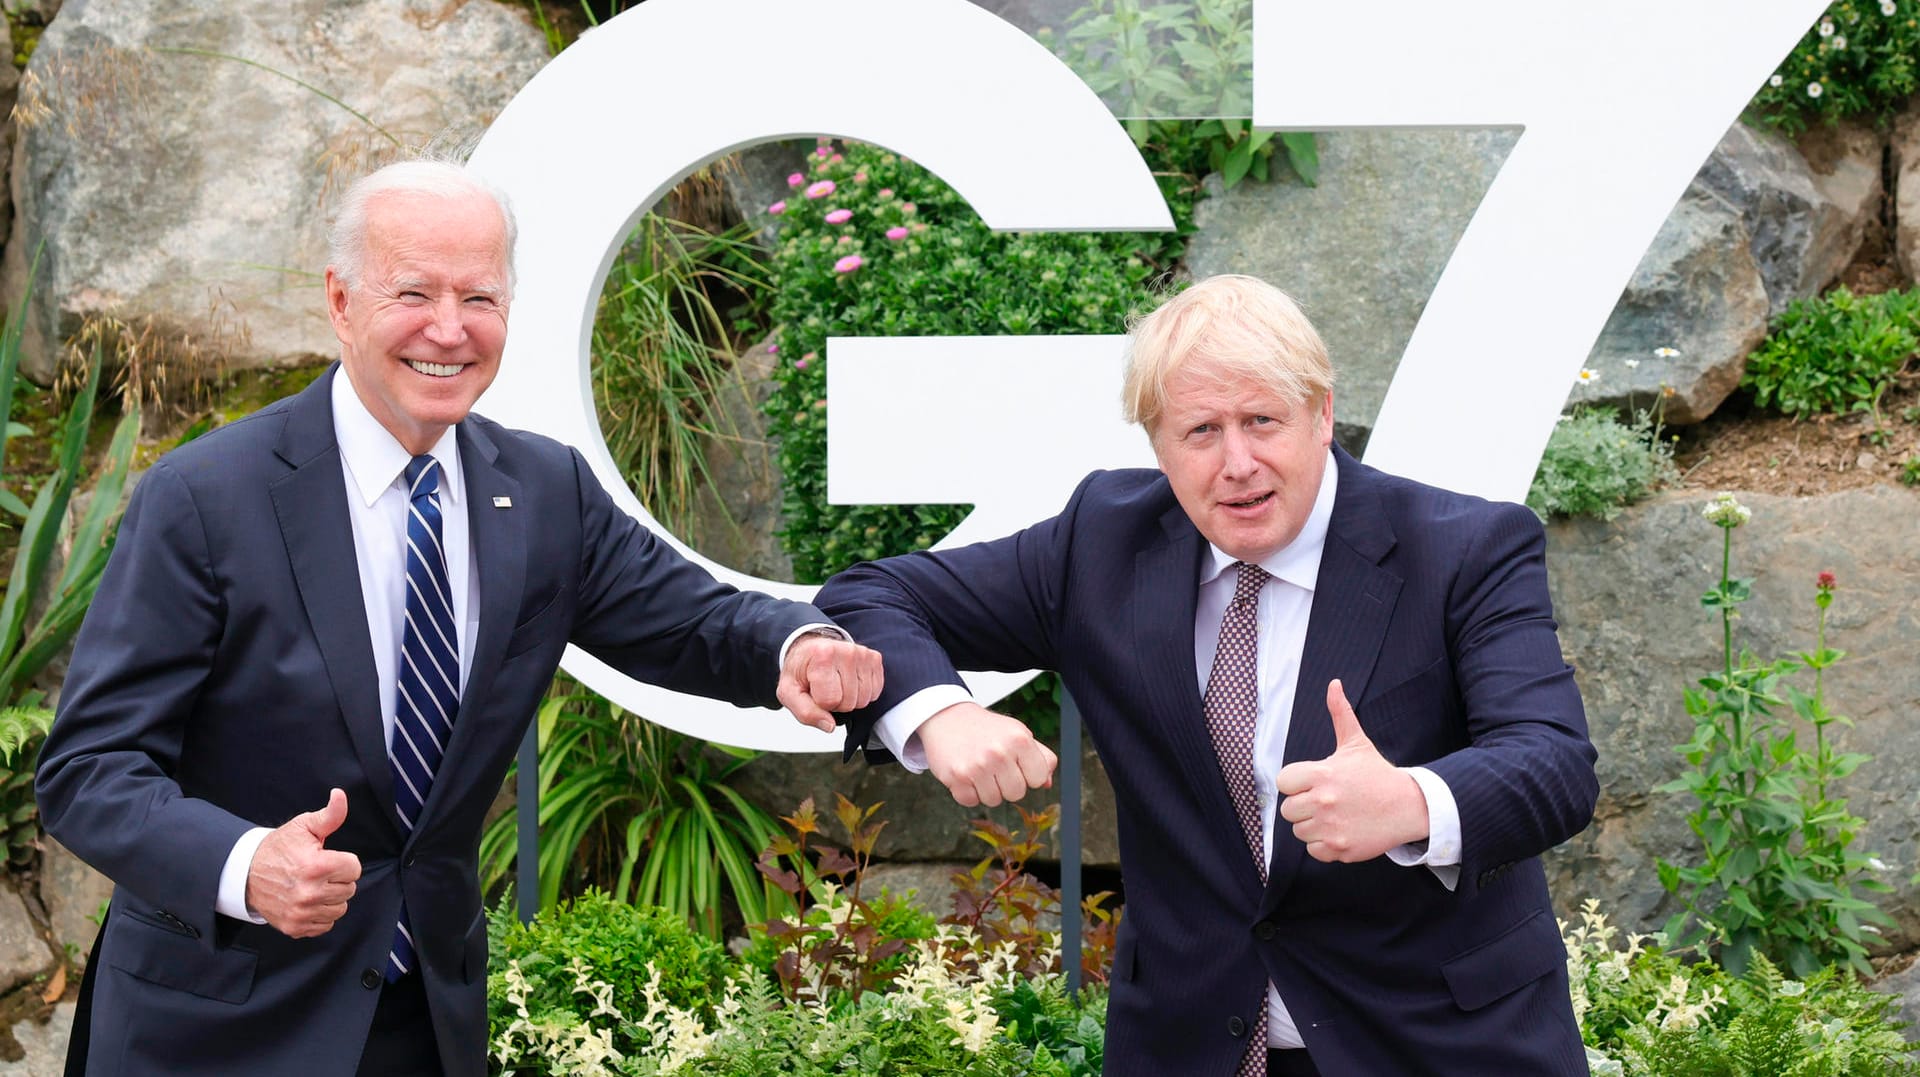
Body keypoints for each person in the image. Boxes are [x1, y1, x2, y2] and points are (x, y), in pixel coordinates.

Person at [34, 158, 889, 1077]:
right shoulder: (204, 498)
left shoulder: (544, 489)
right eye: (413, 292)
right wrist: (246, 865)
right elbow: (88, 769)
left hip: (424, 1021)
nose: (449, 328)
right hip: (213, 1029)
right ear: (341, 300)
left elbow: (690, 621)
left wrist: (800, 646)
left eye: (479, 296)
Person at [816, 274, 1599, 1076]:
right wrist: (942, 712)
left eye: (1263, 420)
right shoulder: (1101, 543)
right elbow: (870, 594)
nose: (1238, 462)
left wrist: (1409, 802)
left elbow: (1555, 761)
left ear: (1322, 413)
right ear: (1157, 444)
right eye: (1200, 430)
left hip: (1433, 1044)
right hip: (1191, 1046)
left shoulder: (1464, 547)